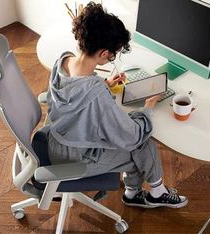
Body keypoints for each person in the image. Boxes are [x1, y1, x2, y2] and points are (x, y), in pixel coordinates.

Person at [46, 2, 188, 208]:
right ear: (104, 53)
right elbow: (130, 137)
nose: (113, 58)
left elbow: (76, 94)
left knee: (136, 140)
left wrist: (105, 85)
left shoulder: (63, 61)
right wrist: (148, 106)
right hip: (74, 160)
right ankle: (153, 192)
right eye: (113, 54)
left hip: (57, 142)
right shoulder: (95, 95)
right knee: (142, 142)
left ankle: (137, 192)